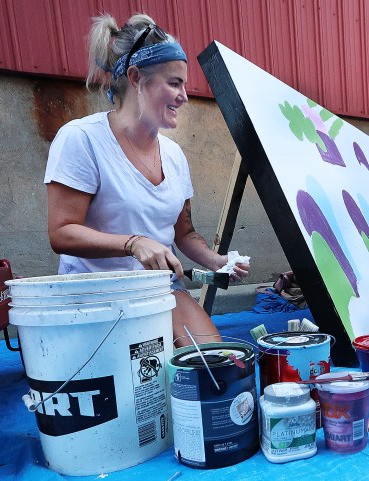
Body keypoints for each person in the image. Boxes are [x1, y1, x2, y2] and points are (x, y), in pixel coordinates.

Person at [44, 13, 249, 347]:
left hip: (158, 289)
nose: (185, 95)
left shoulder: (174, 156)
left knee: (214, 364)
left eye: (184, 83)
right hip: (96, 292)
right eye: (174, 83)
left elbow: (184, 233)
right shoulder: (81, 139)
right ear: (136, 77)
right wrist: (134, 242)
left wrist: (218, 261)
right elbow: (62, 232)